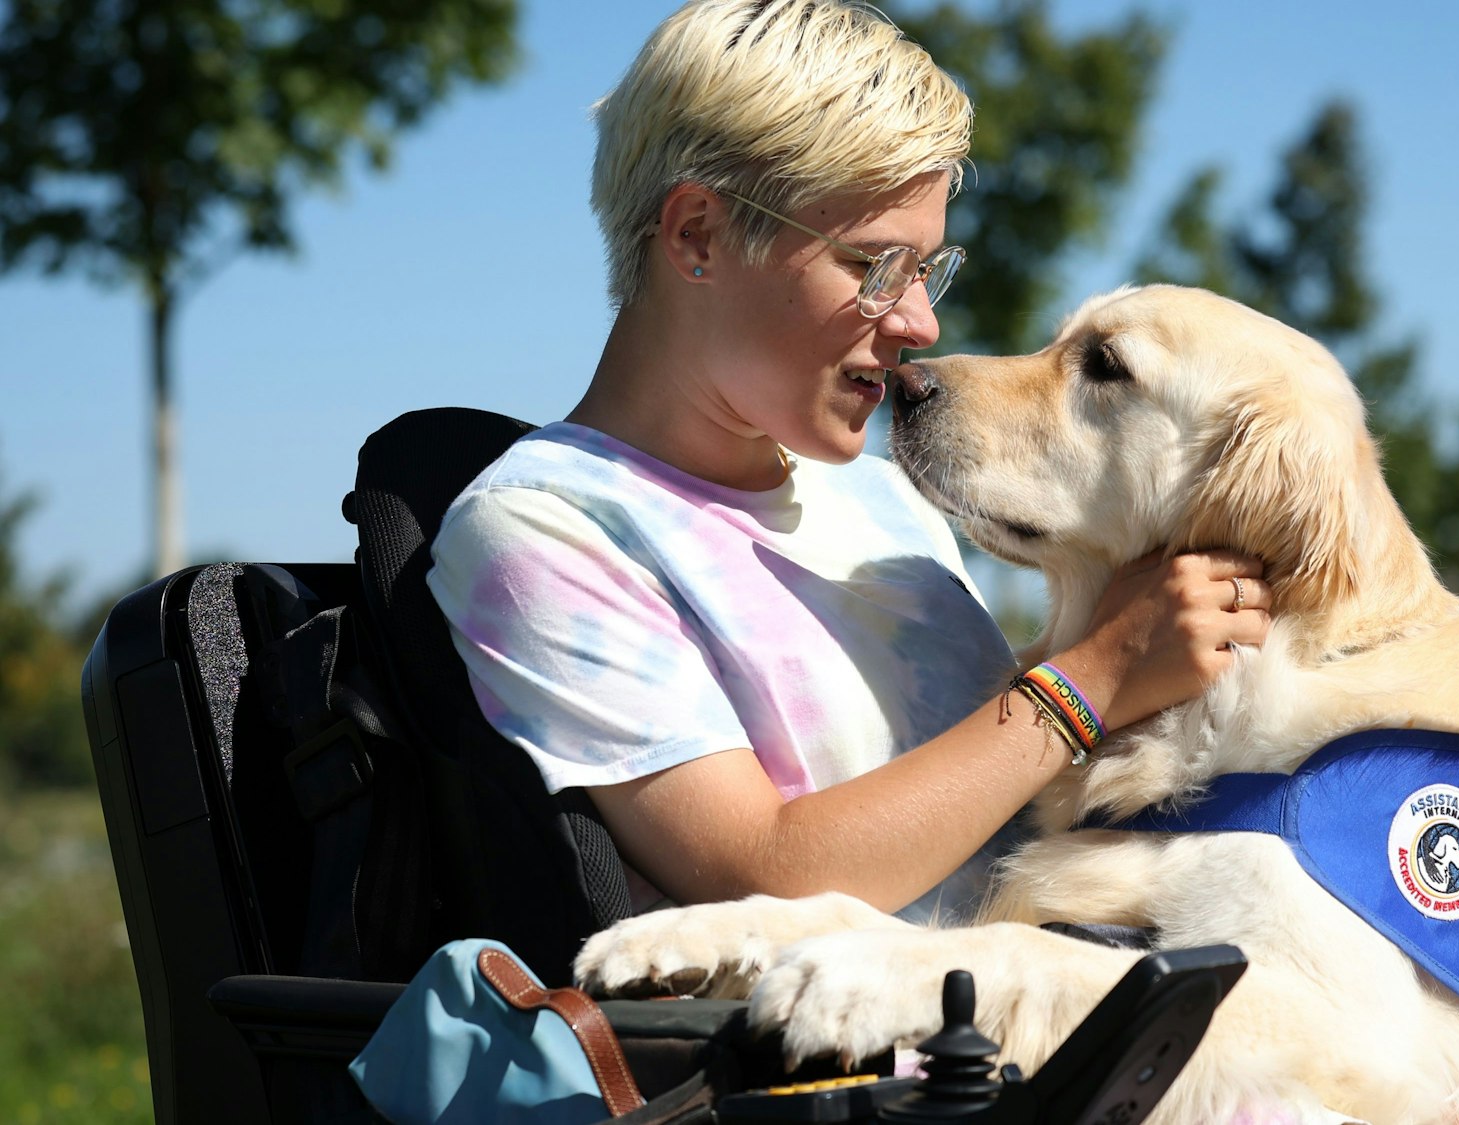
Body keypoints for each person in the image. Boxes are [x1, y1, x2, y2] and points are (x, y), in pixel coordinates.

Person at [427, 0, 1270, 926]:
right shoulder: (546, 531)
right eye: (873, 267)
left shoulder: (880, 499)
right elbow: (759, 876)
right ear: (697, 234)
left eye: (925, 271)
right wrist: (1095, 676)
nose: (919, 322)